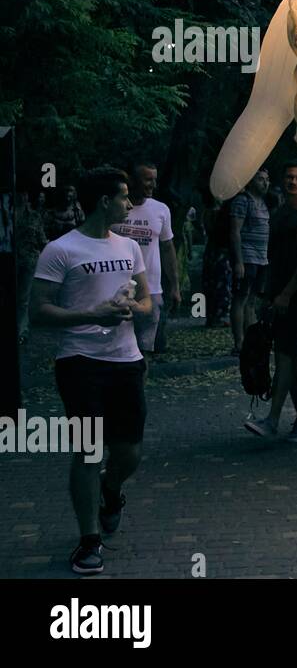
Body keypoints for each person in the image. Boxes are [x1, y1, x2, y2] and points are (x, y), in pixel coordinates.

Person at [29, 167, 153, 574]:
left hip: (127, 361)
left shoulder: (130, 246)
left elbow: (147, 301)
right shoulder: (60, 250)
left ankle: (111, 488)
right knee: (87, 451)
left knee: (129, 453)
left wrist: (136, 308)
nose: (131, 204)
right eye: (124, 197)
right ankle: (89, 540)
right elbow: (39, 311)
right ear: (104, 201)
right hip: (79, 362)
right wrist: (90, 314)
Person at [244, 162, 297, 441]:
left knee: (285, 354)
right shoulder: (279, 213)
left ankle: (272, 420)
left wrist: (287, 293)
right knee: (289, 357)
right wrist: (266, 294)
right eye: (289, 177)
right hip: (277, 293)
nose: (293, 182)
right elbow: (272, 258)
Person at [108, 162, 178, 357]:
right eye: (147, 179)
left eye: (155, 180)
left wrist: (175, 286)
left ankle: (139, 386)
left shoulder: (161, 210)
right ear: (132, 180)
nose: (152, 185)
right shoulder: (114, 207)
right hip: (114, 287)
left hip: (151, 289)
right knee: (115, 347)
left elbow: (167, 248)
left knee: (144, 351)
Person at [228, 168, 271, 355]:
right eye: (260, 179)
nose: (265, 183)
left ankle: (251, 340)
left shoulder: (264, 203)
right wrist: (238, 261)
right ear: (251, 180)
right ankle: (239, 342)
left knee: (252, 301)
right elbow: (234, 231)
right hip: (247, 257)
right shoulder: (242, 201)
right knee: (240, 298)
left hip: (262, 258)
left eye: (266, 179)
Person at [15, 189, 48, 345]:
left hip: (28, 260)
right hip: (9, 260)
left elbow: (41, 239)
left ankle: (21, 331)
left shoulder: (34, 216)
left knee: (23, 298)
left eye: (24, 193)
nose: (22, 195)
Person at [201, 191, 233, 328]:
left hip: (214, 250)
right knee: (220, 284)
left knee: (215, 284)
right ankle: (218, 316)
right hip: (219, 250)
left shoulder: (209, 212)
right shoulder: (215, 213)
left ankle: (214, 315)